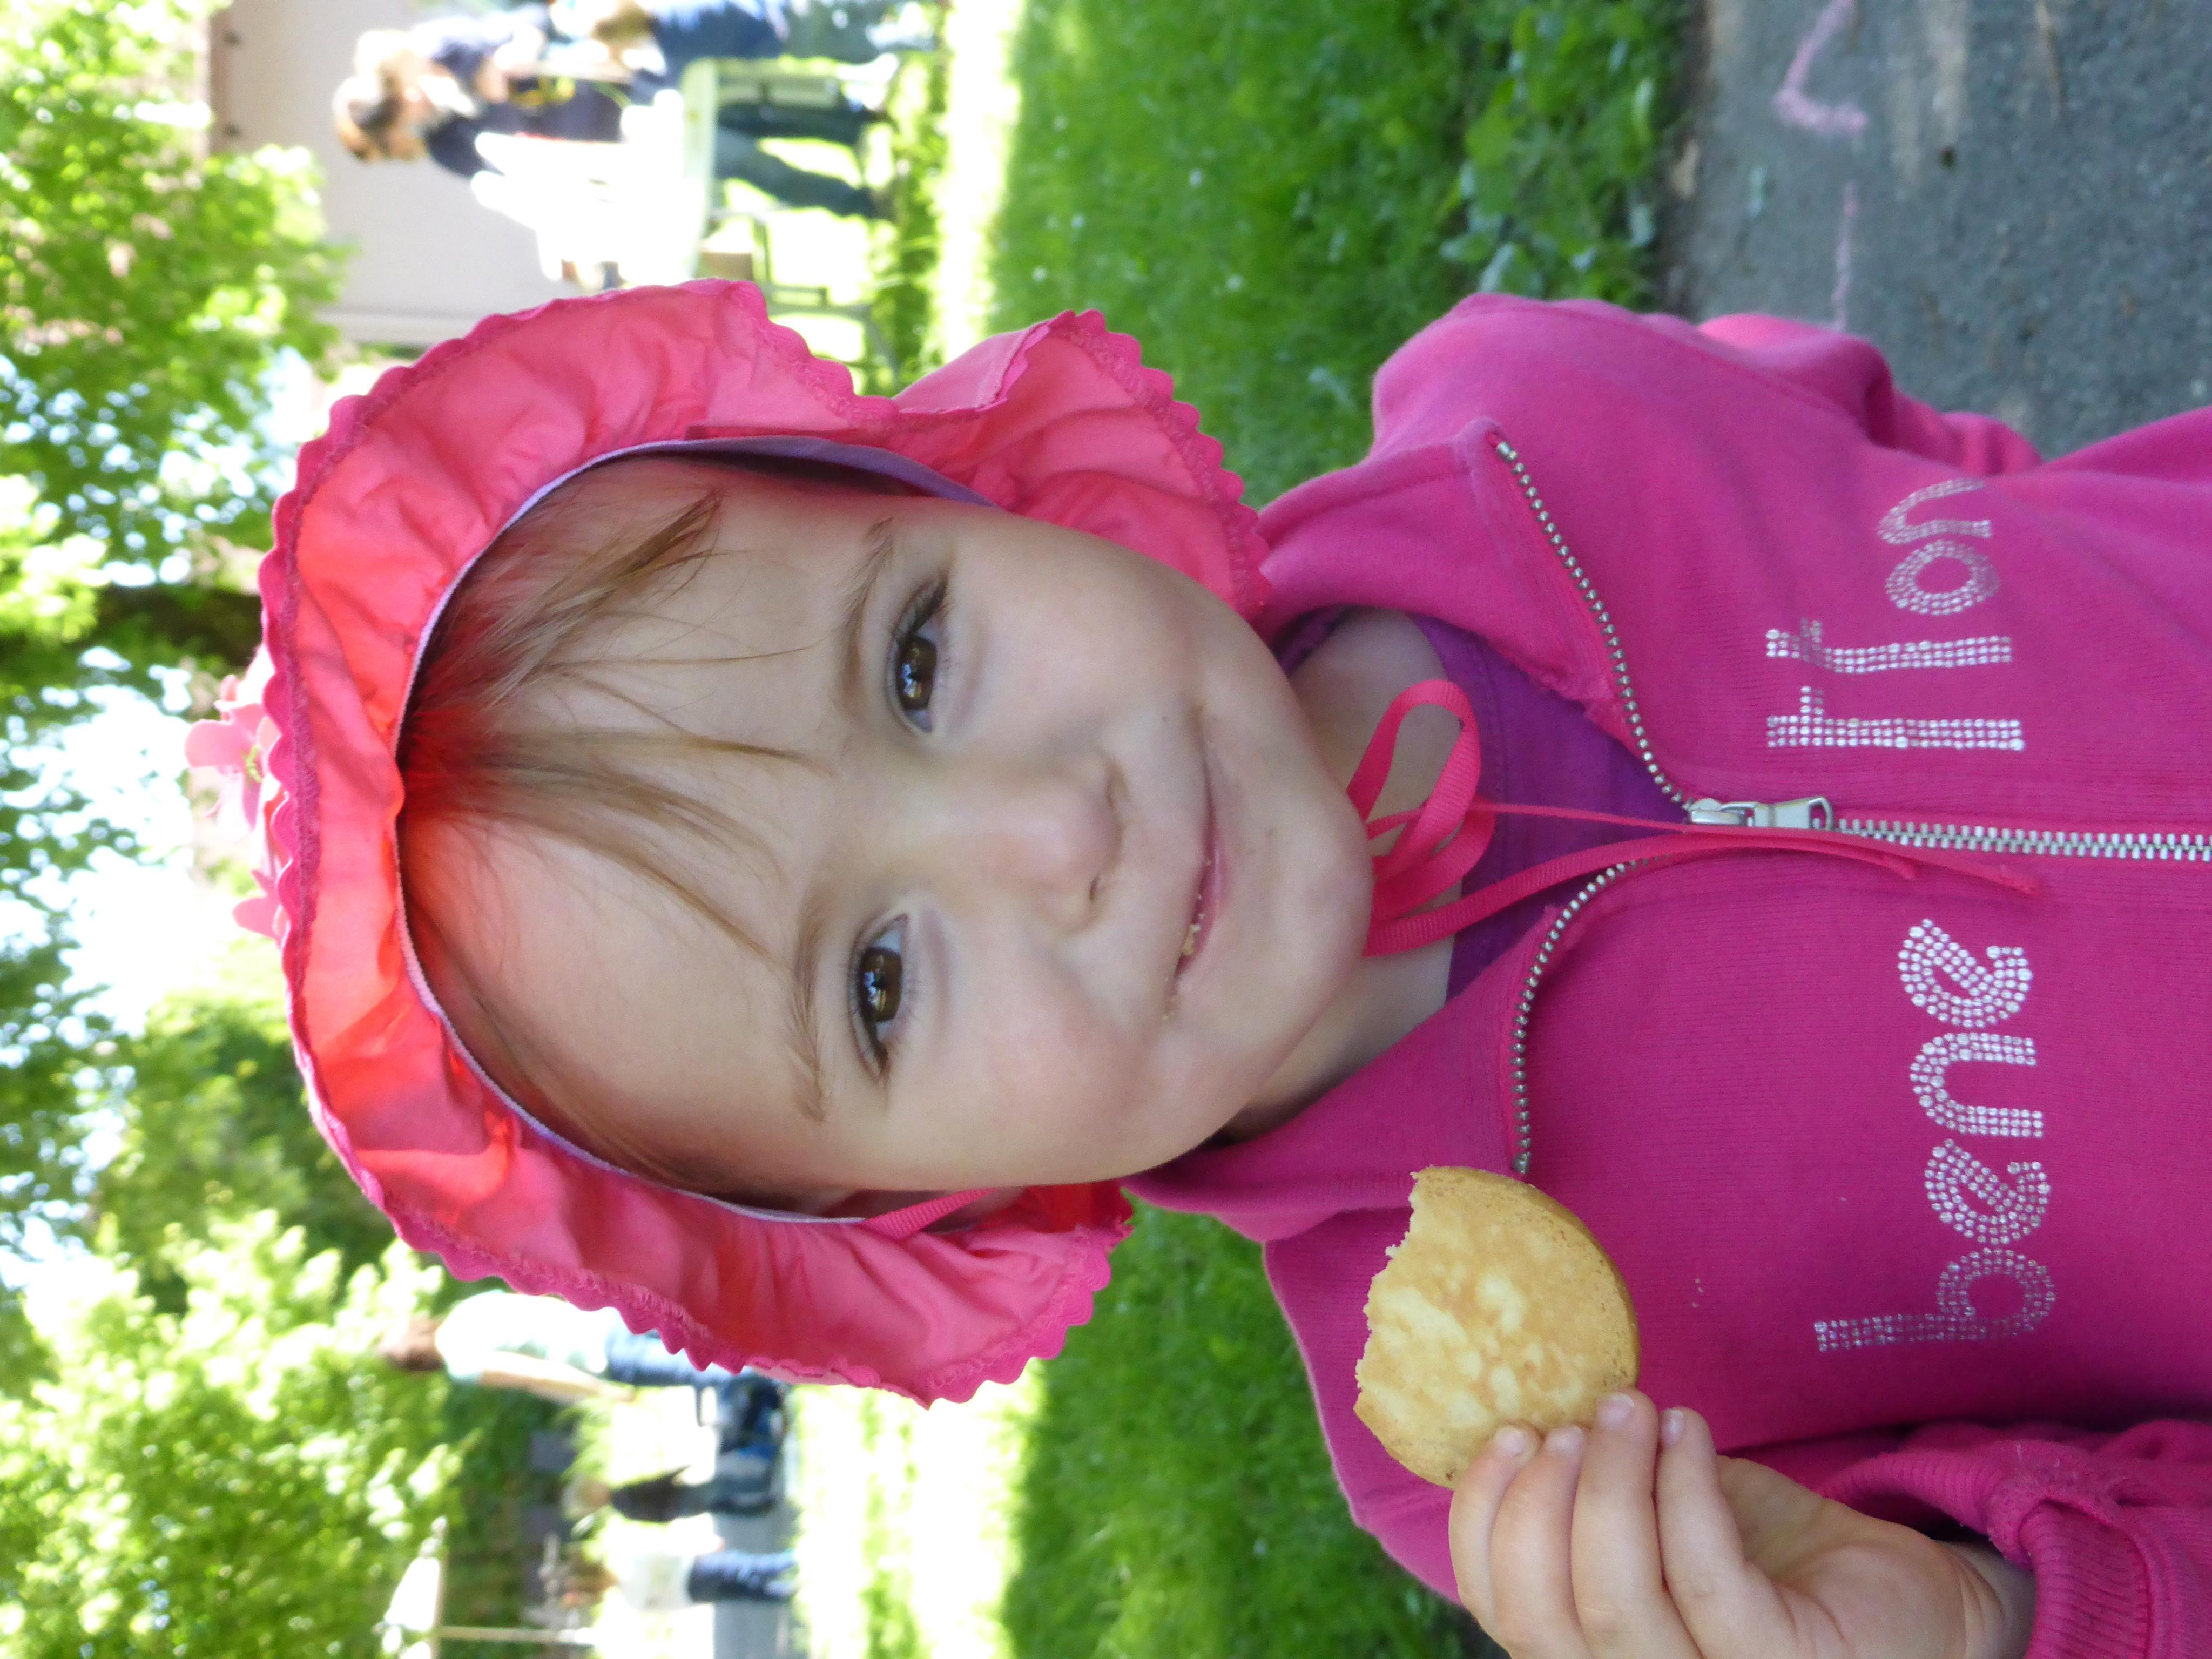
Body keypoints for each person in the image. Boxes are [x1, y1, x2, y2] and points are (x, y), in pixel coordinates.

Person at [187, 276, 2212, 1659]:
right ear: (912, 1214)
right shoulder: (1537, 1448)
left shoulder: (1526, 415)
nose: (1047, 830)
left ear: (970, 493)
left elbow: (1920, 462)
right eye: (879, 982)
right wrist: (1981, 1617)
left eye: (917, 660)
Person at [334, 8, 887, 216]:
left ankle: (855, 120)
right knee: (741, 160)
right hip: (622, 143)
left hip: (620, 78)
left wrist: (513, 54)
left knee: (748, 111)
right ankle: (859, 203)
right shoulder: (447, 147)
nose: (412, 110)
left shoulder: (444, 46)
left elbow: (530, 17)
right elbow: (511, 178)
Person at [377, 1289, 787, 1433]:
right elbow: (535, 1301)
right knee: (700, 1332)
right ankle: (785, 1343)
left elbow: (535, 1375)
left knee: (699, 1370)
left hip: (599, 1356)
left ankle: (788, 1371)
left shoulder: (461, 1364)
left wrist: (601, 1393)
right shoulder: (467, 1309)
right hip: (600, 1316)